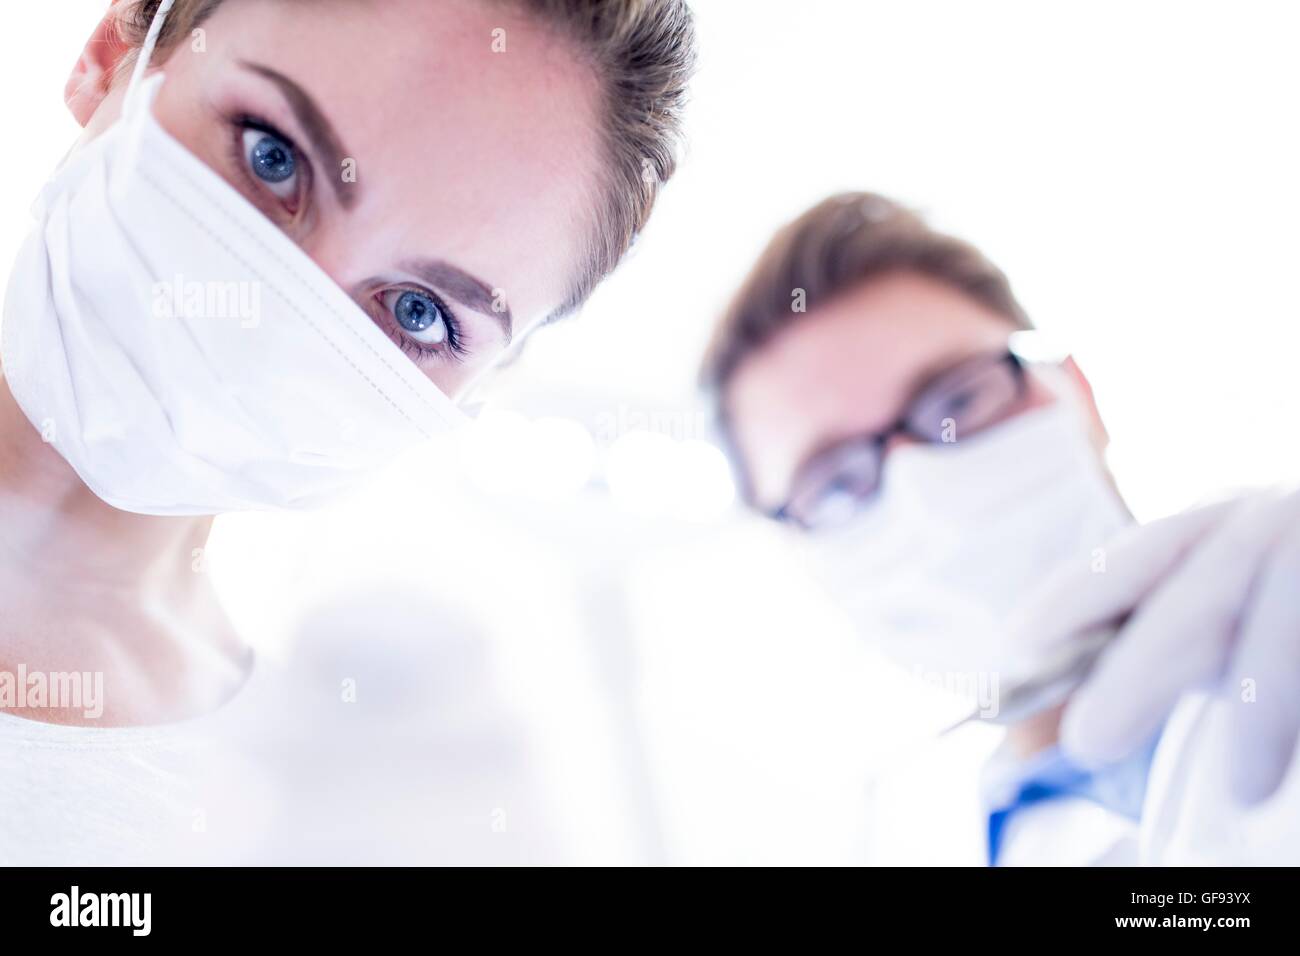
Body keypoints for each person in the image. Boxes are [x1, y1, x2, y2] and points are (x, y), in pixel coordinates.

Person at [0, 0, 695, 862]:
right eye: (272, 155)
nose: (272, 322)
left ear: (478, 391)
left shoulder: (267, 810)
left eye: (417, 312)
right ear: (112, 55)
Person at [699, 192, 1300, 865]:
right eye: (833, 482)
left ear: (1081, 396)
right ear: (800, 556)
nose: (926, 490)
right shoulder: (926, 834)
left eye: (958, 399)